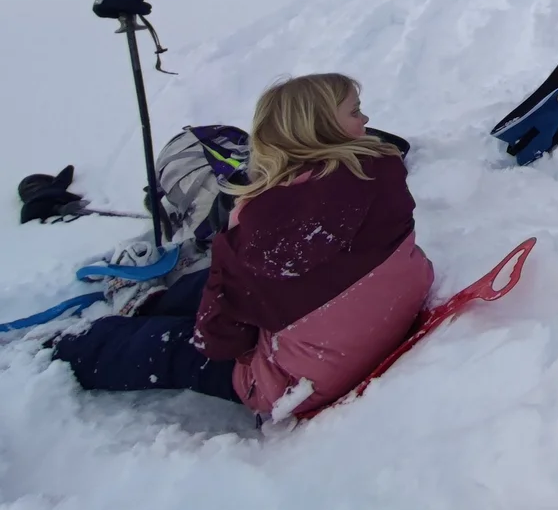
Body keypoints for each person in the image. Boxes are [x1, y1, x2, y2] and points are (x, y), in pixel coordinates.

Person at [54, 74, 432, 416]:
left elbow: (219, 340)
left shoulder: (258, 224)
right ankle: (149, 304)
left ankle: (67, 348)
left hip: (301, 381)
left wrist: (229, 262)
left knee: (168, 346)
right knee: (223, 288)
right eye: (356, 111)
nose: (365, 120)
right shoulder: (380, 170)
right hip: (382, 313)